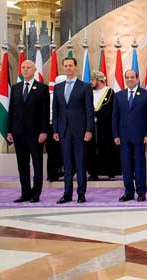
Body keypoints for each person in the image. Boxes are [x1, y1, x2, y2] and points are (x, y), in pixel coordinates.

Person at [52, 57, 94, 204]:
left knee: (80, 162)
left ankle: (81, 193)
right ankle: (67, 194)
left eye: (70, 65)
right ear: (63, 68)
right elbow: (55, 110)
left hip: (80, 131)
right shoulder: (58, 87)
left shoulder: (85, 86)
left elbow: (89, 110)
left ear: (75, 67)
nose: (68, 68)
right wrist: (55, 130)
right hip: (63, 130)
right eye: (65, 65)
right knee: (67, 163)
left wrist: (89, 130)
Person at [8, 60, 50, 203]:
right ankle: (25, 192)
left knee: (37, 164)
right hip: (18, 133)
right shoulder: (15, 88)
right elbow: (11, 112)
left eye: (28, 68)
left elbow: (45, 113)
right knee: (22, 164)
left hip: (36, 133)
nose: (25, 70)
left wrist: (44, 131)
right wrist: (9, 131)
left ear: (34, 69)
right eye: (23, 68)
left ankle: (36, 193)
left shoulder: (42, 88)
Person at [112, 69, 147, 202]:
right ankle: (128, 192)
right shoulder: (119, 95)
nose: (130, 79)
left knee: (139, 165)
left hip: (141, 137)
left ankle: (141, 192)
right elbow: (115, 117)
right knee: (126, 165)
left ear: (137, 79)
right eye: (127, 77)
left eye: (132, 77)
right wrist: (115, 135)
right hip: (124, 137)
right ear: (125, 79)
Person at [89, 71, 119, 180]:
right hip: (92, 127)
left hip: (106, 127)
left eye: (92, 80)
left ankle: (110, 172)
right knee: (92, 150)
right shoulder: (89, 92)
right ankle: (93, 173)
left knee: (108, 149)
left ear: (99, 80)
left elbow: (111, 109)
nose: (91, 82)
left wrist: (98, 115)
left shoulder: (110, 92)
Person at [46, 74, 66, 182]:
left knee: (55, 151)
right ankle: (54, 173)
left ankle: (55, 173)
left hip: (57, 125)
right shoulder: (51, 95)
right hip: (53, 125)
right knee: (54, 151)